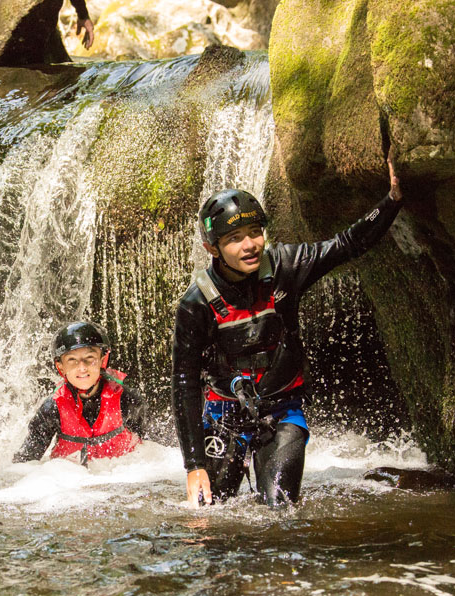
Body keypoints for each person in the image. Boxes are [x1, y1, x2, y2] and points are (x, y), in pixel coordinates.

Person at [173, 158, 404, 507]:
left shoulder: (287, 266)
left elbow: (347, 244)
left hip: (281, 410)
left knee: (278, 509)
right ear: (212, 248)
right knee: (209, 513)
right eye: (235, 238)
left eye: (255, 232)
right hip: (223, 415)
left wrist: (393, 200)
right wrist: (194, 465)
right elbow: (184, 382)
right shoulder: (196, 304)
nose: (250, 244)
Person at [14, 321, 144, 465]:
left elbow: (154, 449)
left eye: (89, 358)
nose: (82, 368)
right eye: (72, 360)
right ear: (60, 367)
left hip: (121, 476)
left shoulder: (126, 399)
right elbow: (24, 463)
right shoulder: (52, 409)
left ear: (102, 361)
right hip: (73, 481)